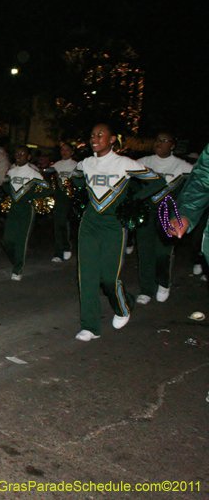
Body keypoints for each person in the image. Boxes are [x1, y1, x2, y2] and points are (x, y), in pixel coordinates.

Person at [70, 123, 165, 341]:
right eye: (92, 134)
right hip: (89, 224)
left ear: (112, 140)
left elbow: (158, 181)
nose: (95, 138)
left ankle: (123, 306)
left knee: (109, 278)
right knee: (87, 276)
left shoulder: (124, 163)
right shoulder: (86, 163)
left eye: (100, 135)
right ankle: (90, 326)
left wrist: (133, 200)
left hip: (113, 226)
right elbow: (75, 178)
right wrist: (84, 195)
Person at [134, 132, 192, 304]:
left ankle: (163, 282)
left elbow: (196, 186)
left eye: (164, 141)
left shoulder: (182, 166)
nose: (159, 143)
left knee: (162, 252)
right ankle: (146, 289)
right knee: (145, 252)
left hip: (167, 214)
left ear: (173, 145)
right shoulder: (143, 162)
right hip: (146, 212)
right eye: (157, 140)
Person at [1, 146, 51, 281]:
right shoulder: (11, 171)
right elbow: (5, 184)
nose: (19, 156)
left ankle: (18, 269)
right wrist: (10, 194)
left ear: (28, 157)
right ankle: (16, 260)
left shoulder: (33, 172)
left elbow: (47, 188)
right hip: (13, 210)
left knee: (21, 241)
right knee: (7, 240)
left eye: (22, 154)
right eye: (17, 153)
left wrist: (31, 195)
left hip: (26, 210)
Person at [50, 143, 78, 262]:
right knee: (58, 224)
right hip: (59, 198)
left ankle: (67, 246)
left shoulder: (76, 165)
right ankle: (58, 252)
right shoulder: (57, 165)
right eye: (62, 150)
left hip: (71, 199)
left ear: (72, 152)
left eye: (67, 150)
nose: (64, 152)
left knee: (66, 224)